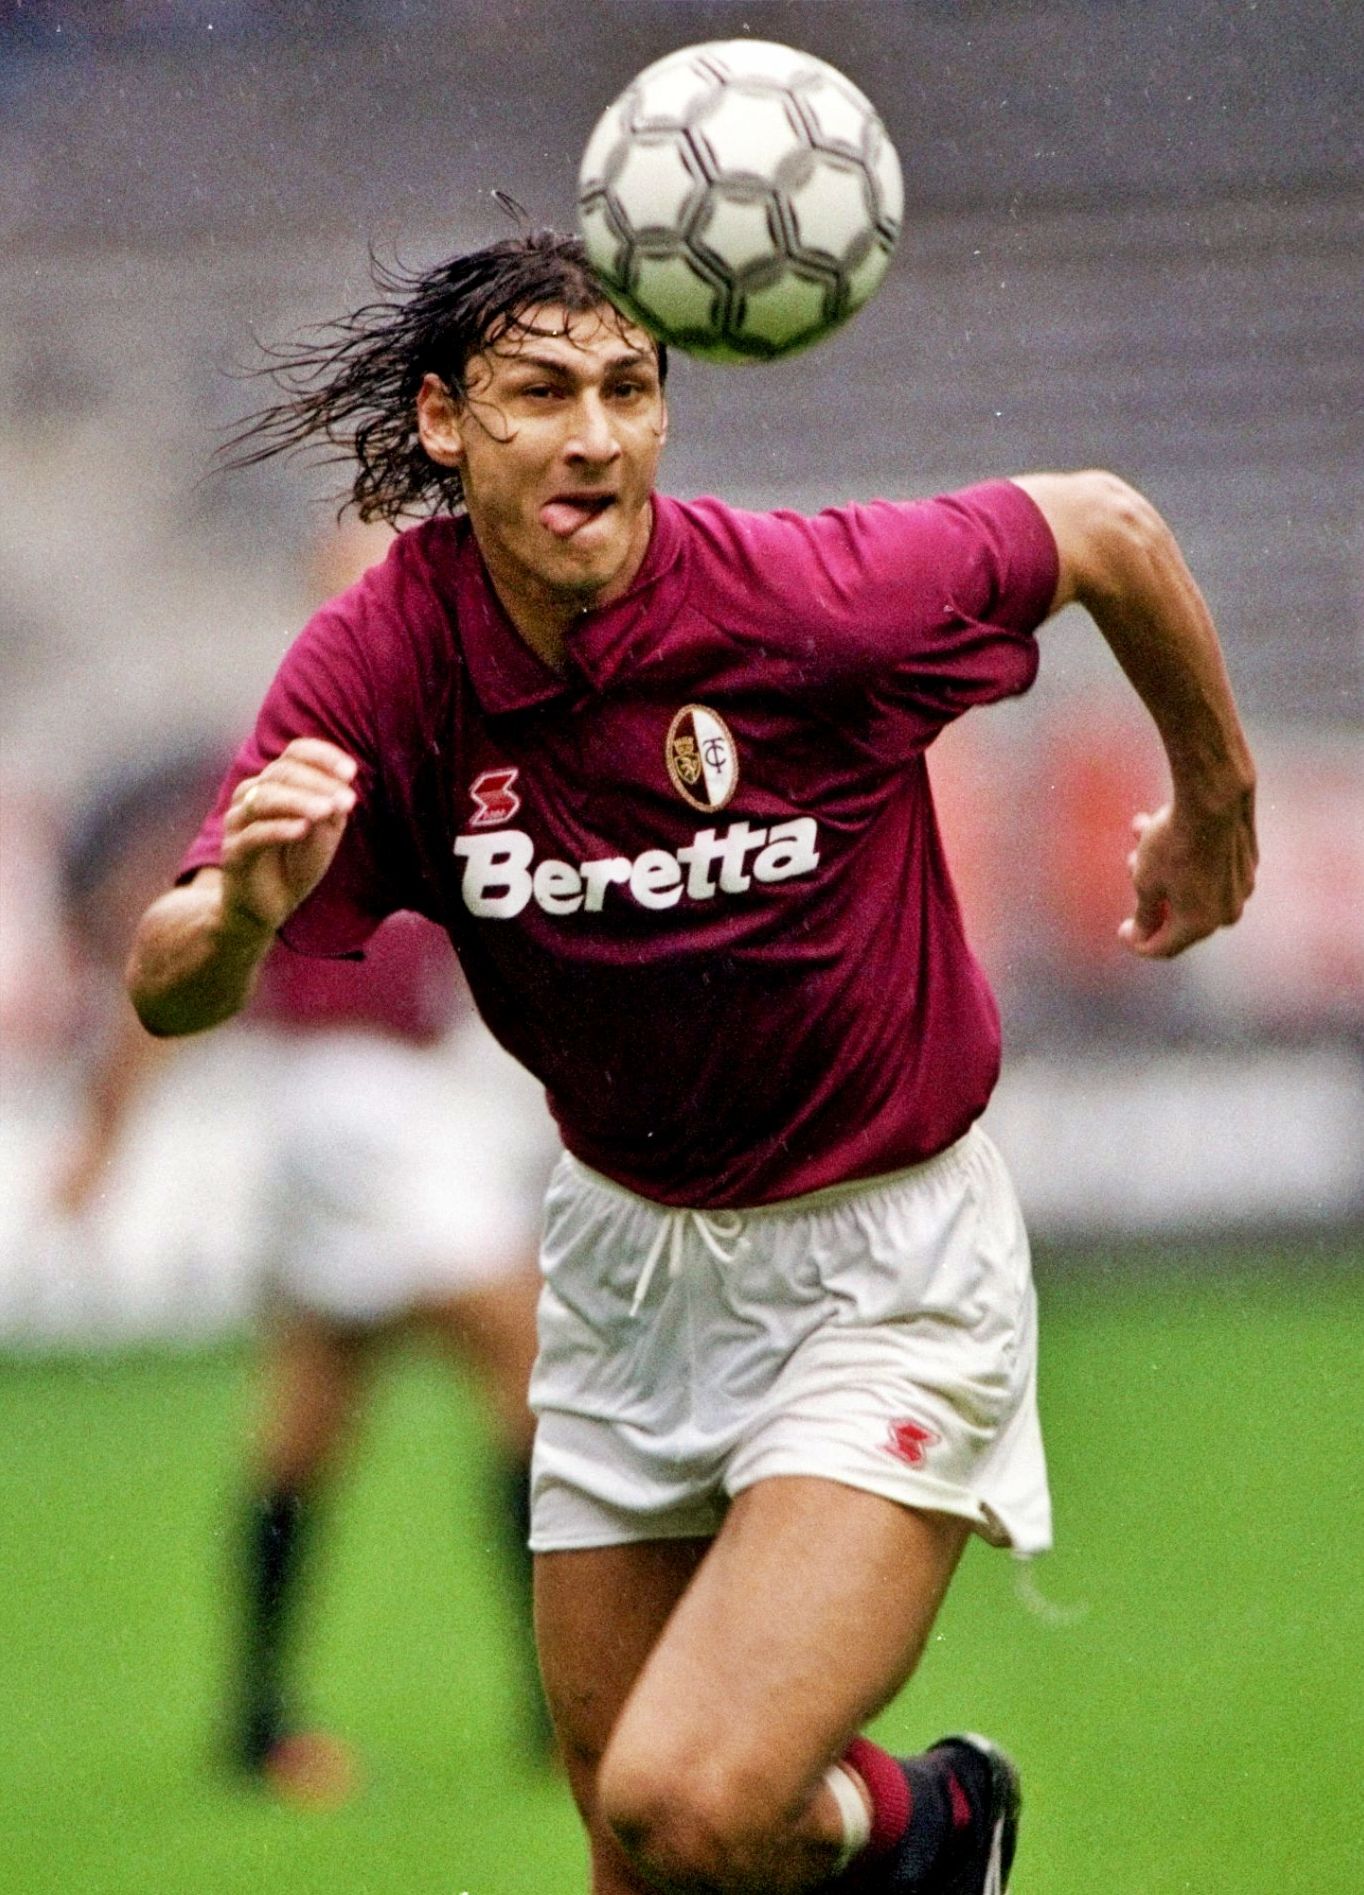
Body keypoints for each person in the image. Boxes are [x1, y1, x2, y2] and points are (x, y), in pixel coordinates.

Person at [125, 229, 1257, 1891]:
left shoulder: (803, 598)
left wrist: (1214, 801)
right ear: (443, 423)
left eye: (626, 390)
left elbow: (1106, 527)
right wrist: (240, 906)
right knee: (639, 1851)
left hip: (879, 1270)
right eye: (539, 393)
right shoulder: (387, 657)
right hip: (625, 1266)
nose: (591, 434)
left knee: (692, 1801)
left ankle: (942, 1820)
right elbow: (170, 985)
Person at [57, 747, 557, 1802]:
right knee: (531, 1374)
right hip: (360, 1109)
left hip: (357, 1109)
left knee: (309, 1415)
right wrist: (107, 1126)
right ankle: (555, 1703)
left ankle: (257, 1720)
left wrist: (106, 1130)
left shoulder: (422, 769)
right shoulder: (330, 773)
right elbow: (193, 929)